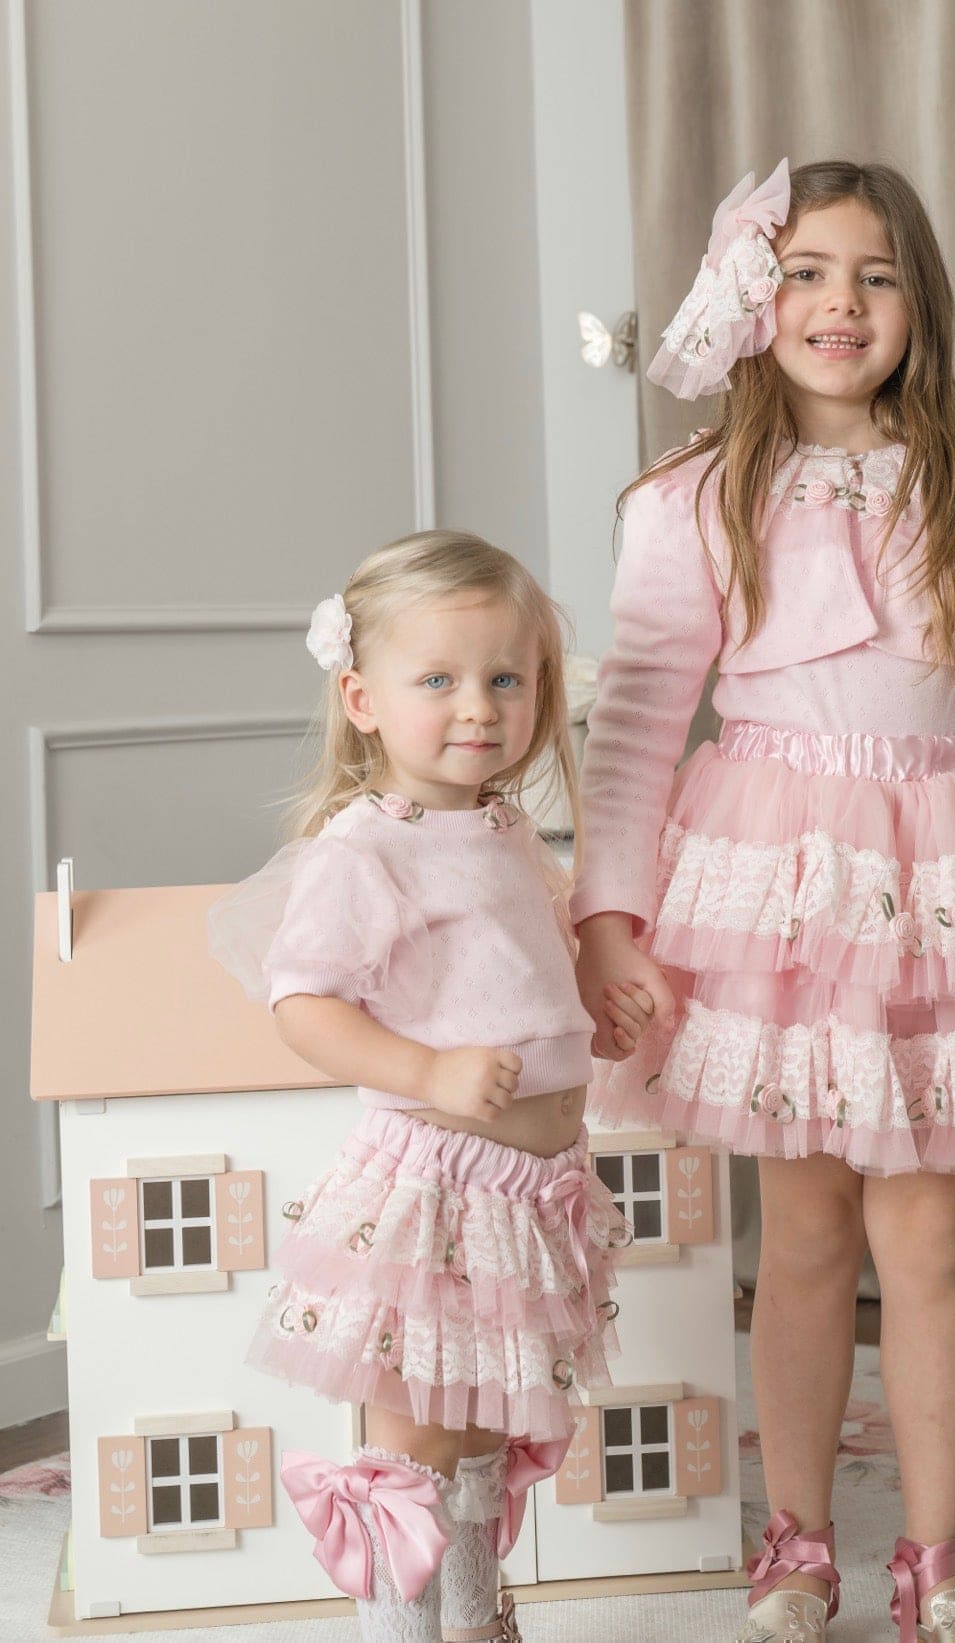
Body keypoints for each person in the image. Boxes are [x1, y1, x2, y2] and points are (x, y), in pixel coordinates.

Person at [573, 158, 955, 1643]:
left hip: (946, 887)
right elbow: (645, 715)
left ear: (922, 299)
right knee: (800, 1237)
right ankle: (795, 1546)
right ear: (752, 300)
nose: (840, 304)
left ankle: (939, 1554)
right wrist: (607, 910)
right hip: (770, 888)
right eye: (804, 272)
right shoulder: (691, 496)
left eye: (875, 275)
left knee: (927, 1238)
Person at [209, 531, 641, 1642]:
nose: (479, 708)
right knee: (418, 1441)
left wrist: (592, 1004)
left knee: (487, 1429)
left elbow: (507, 972)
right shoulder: (366, 849)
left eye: (506, 677)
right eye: (438, 680)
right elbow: (305, 1005)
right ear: (361, 696)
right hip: (436, 1187)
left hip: (528, 1186)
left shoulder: (500, 827)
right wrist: (428, 1070)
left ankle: (474, 1620)